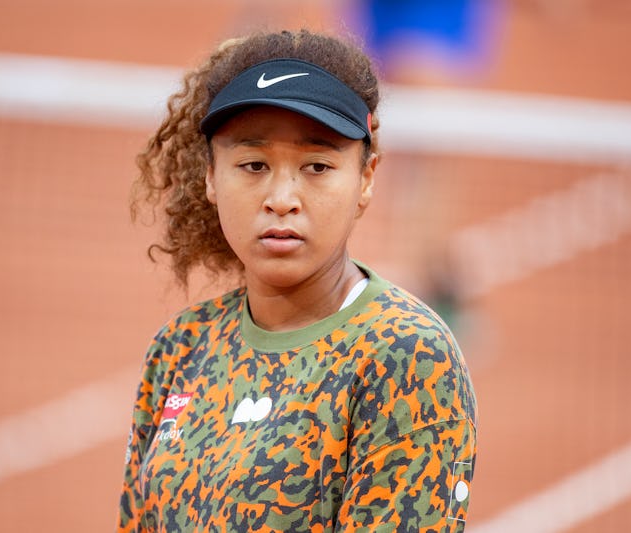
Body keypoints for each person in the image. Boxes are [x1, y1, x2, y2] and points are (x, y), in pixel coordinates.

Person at [117, 29, 477, 532]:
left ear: (366, 177)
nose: (281, 197)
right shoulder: (181, 347)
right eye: (253, 165)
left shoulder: (404, 355)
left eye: (316, 166)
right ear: (210, 177)